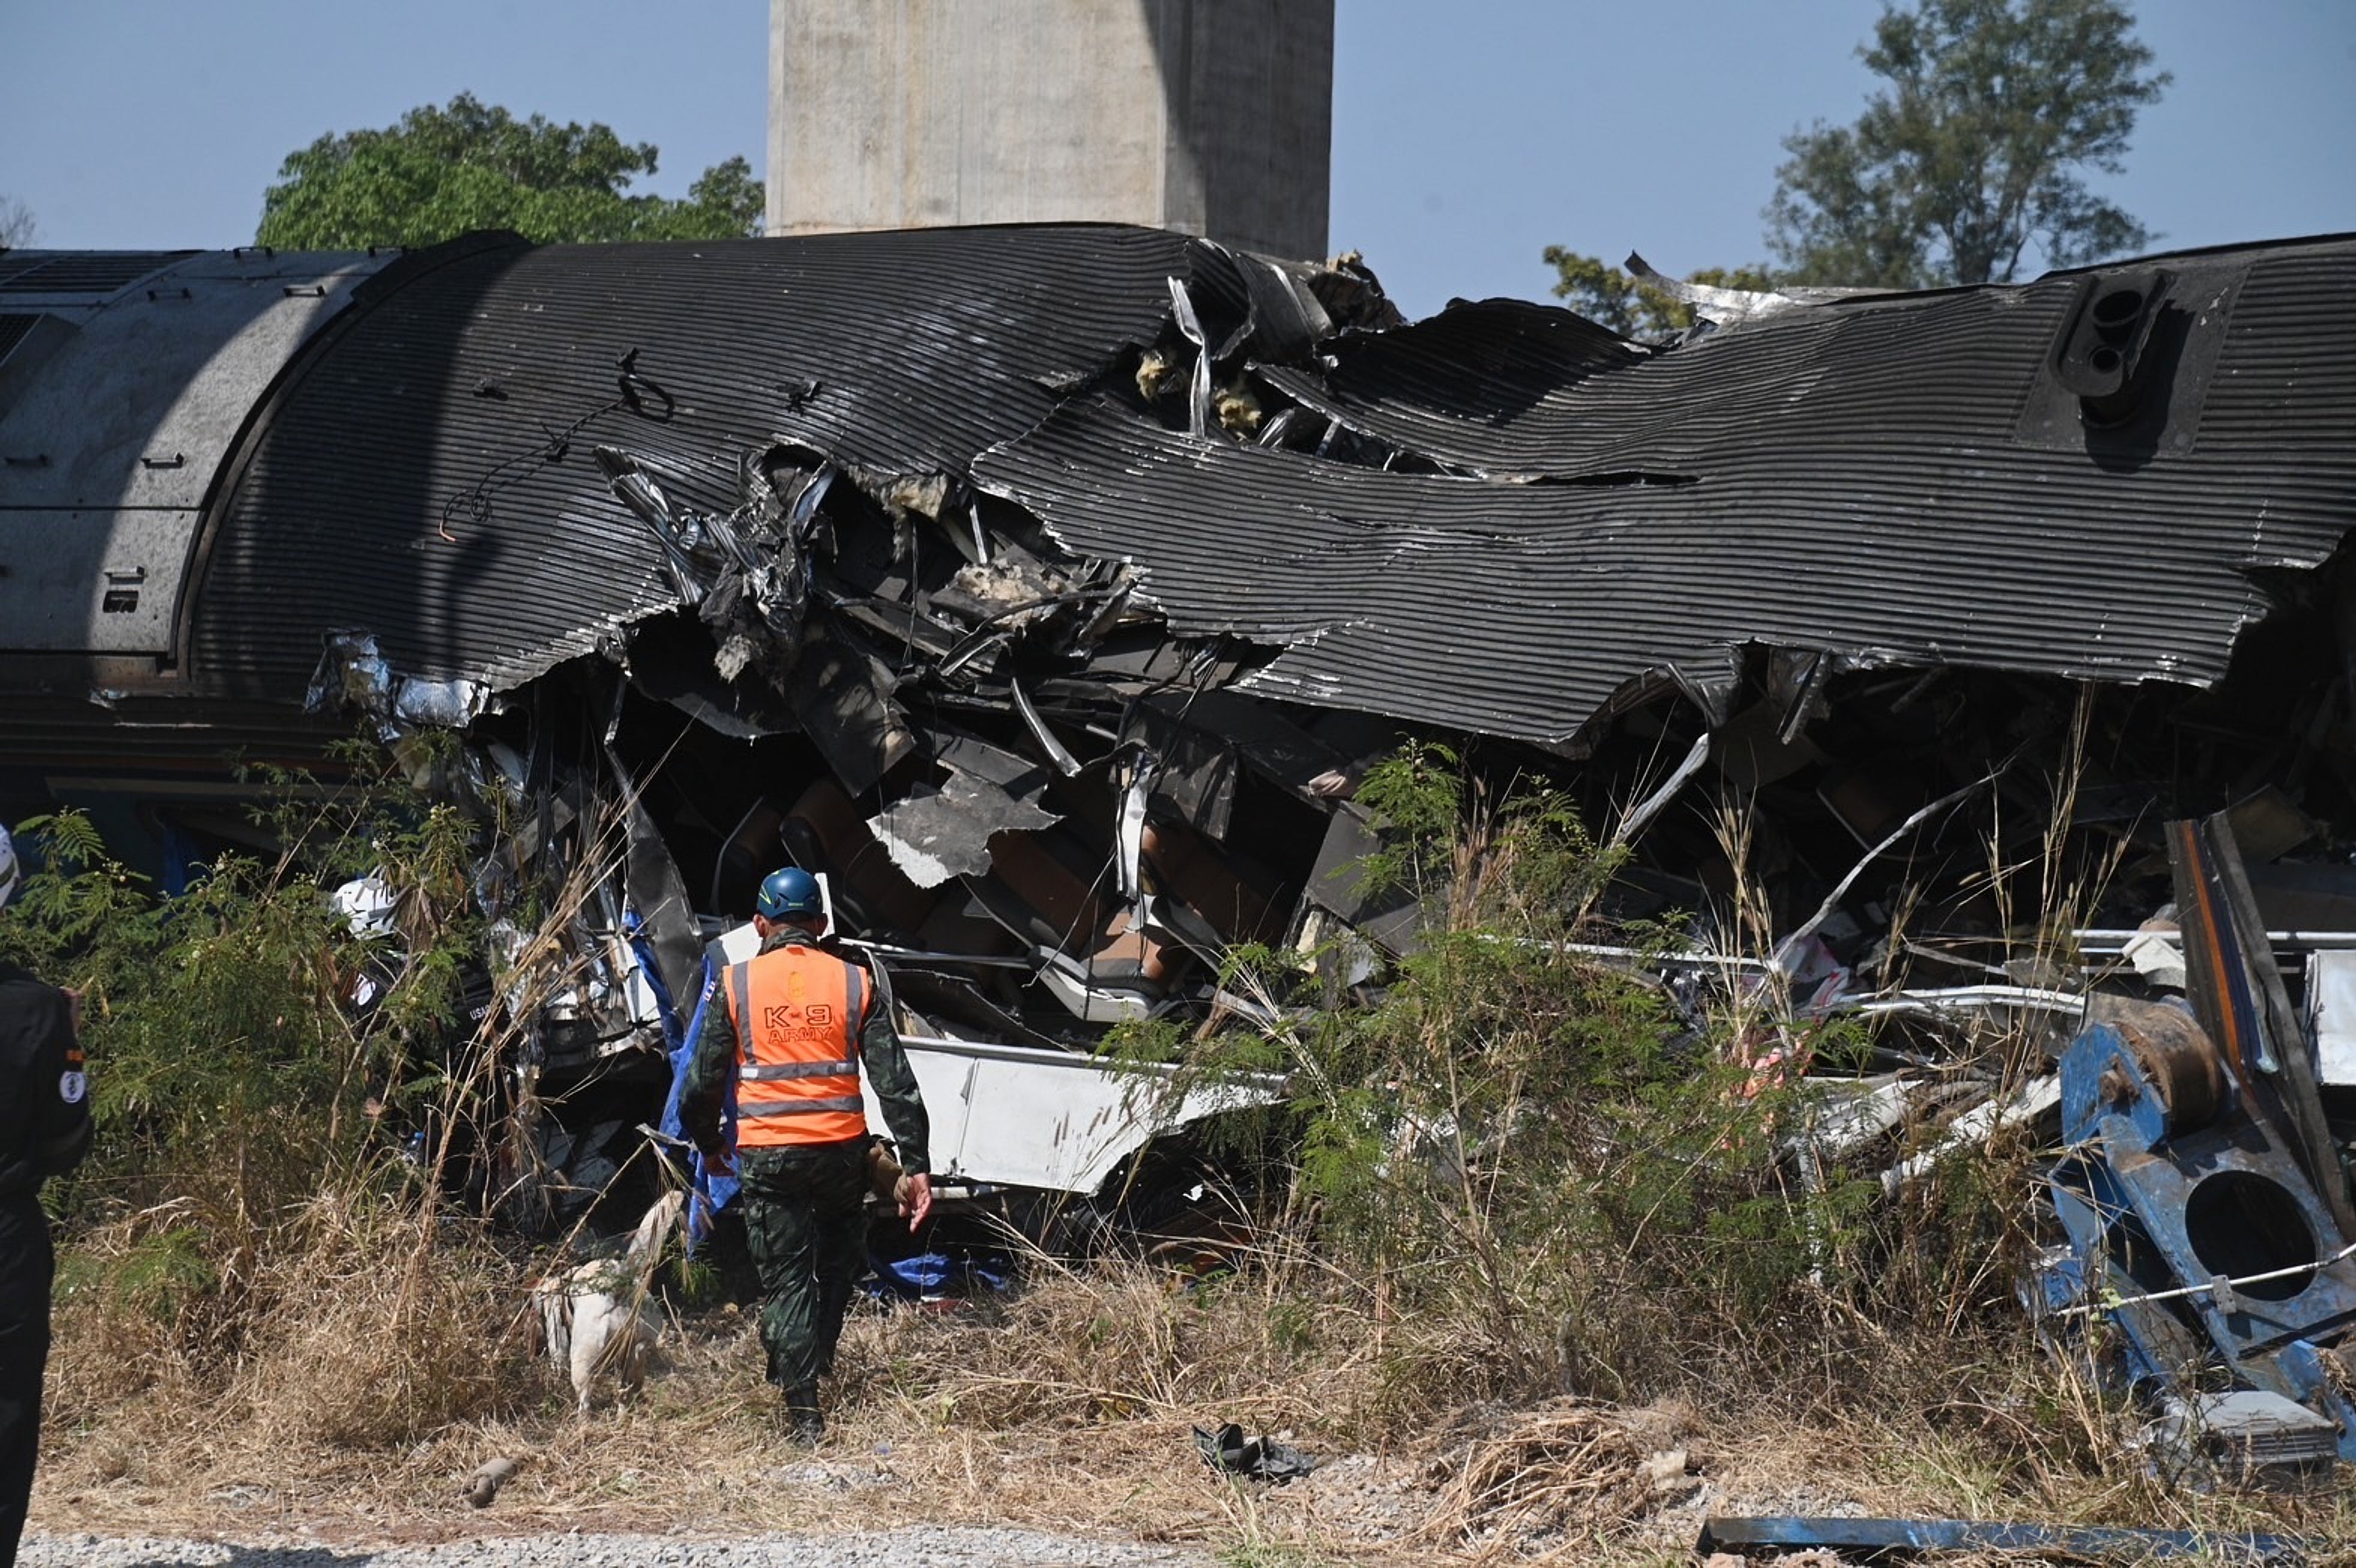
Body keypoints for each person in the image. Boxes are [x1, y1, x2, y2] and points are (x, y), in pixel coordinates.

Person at [679, 866, 932, 1445]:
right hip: (842, 1154)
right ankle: (810, 1359)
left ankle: (803, 1412)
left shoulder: (737, 984)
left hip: (769, 1160)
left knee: (789, 1281)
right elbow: (897, 1084)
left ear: (761, 924)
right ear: (819, 925)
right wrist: (915, 1165)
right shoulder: (855, 982)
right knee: (838, 1266)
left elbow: (700, 1086)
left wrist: (711, 1144)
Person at [1, 959, 91, 1568]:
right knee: (6, 1403)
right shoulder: (38, 1009)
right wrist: (68, 1034)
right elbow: (67, 1143)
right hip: (6, 1230)